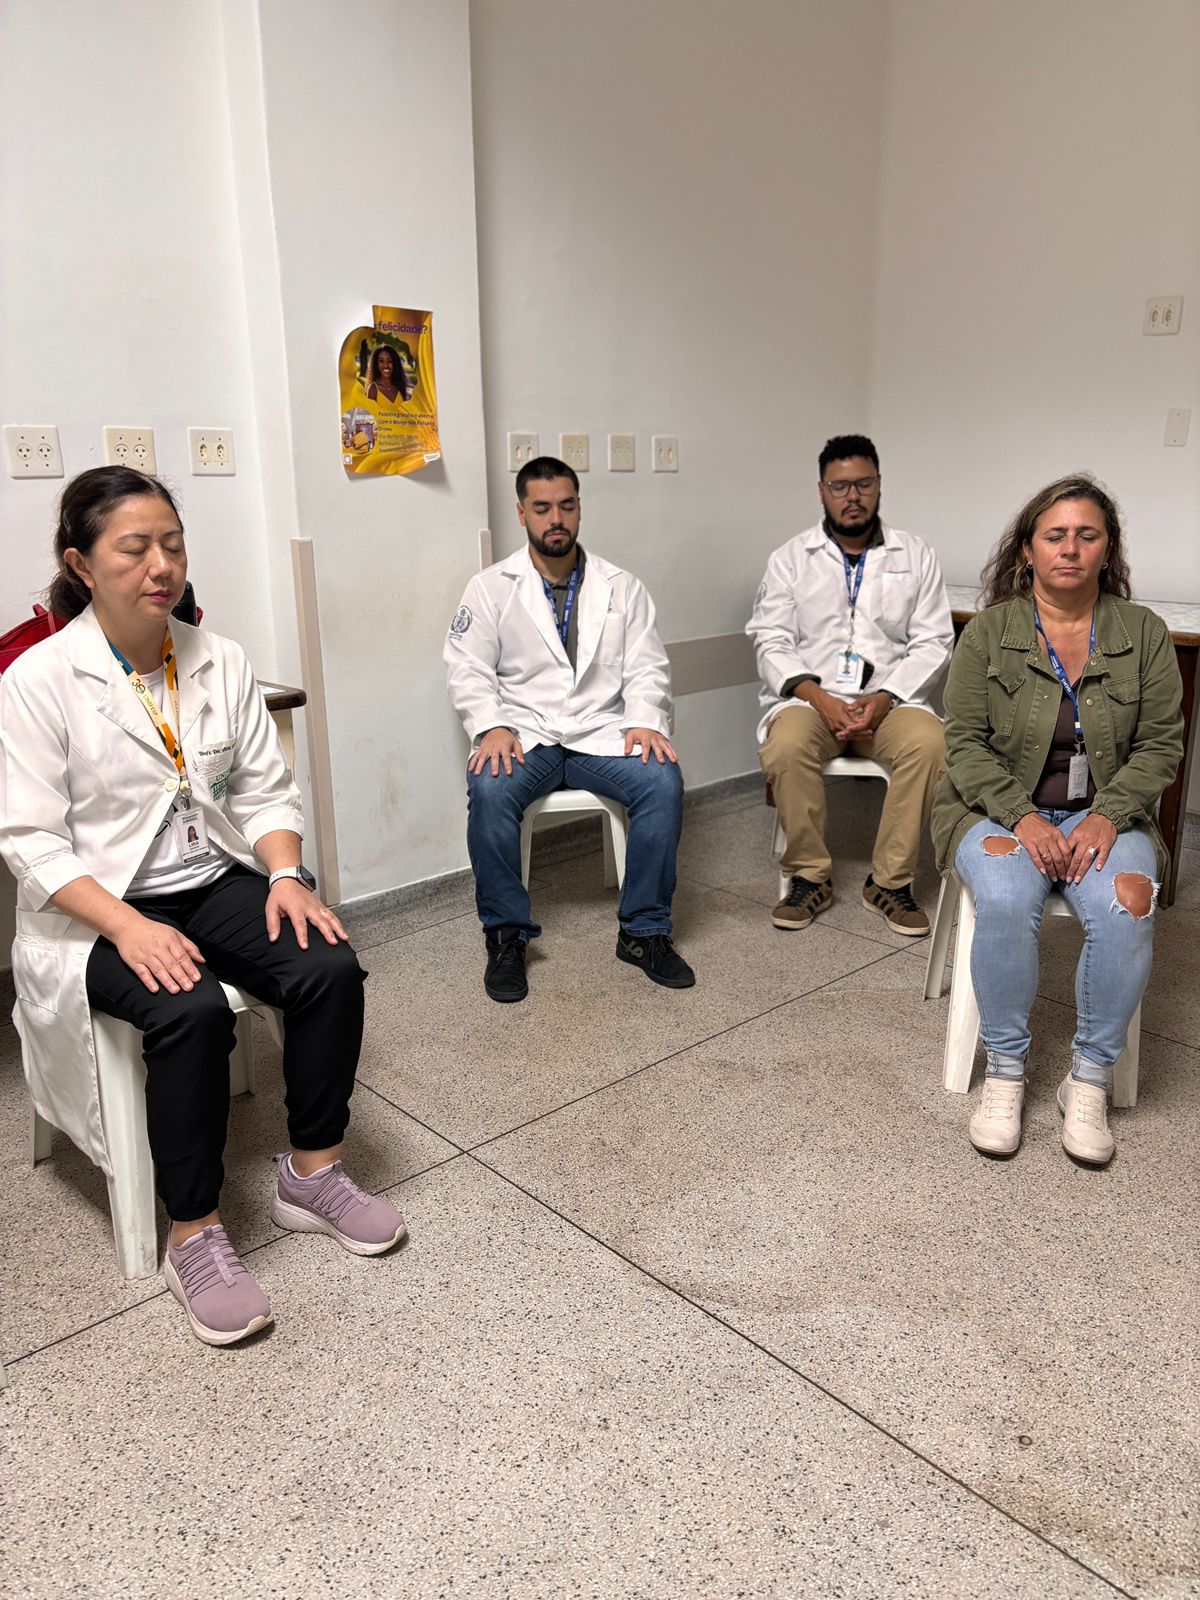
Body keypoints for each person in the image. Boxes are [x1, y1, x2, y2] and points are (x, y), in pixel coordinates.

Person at [0, 467, 405, 1347]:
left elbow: (263, 788)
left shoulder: (218, 658)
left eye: (173, 546)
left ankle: (312, 1172)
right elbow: (29, 839)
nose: (161, 567)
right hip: (98, 906)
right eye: (134, 549)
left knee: (328, 964)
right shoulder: (38, 679)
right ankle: (194, 1233)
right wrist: (127, 926)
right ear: (81, 563)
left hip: (210, 877)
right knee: (189, 1011)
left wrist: (286, 876)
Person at [932, 474, 1183, 1164]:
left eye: (1086, 535)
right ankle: (1006, 1074)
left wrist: (1110, 815)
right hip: (995, 810)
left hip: (1104, 815)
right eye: (1055, 535)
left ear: (1108, 548)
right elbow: (964, 744)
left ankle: (1089, 1079)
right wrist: (1021, 817)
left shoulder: (1144, 634)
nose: (1070, 548)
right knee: (1006, 896)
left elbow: (1162, 745)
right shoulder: (990, 632)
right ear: (1028, 550)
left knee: (1130, 904)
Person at [444, 455, 694, 1002]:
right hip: (525, 734)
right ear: (521, 513)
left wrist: (644, 720)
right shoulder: (489, 588)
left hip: (600, 732)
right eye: (542, 508)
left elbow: (648, 665)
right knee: (489, 789)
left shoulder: (622, 587)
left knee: (662, 781)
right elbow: (466, 667)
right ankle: (506, 937)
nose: (555, 519)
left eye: (566, 505)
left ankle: (643, 931)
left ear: (579, 508)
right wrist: (491, 725)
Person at [747, 435, 953, 935]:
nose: (853, 496)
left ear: (879, 486)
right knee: (787, 744)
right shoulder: (791, 558)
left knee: (931, 744)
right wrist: (818, 697)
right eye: (840, 486)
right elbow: (771, 639)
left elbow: (934, 640)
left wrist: (884, 698)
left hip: (890, 702)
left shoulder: (916, 554)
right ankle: (809, 877)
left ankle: (890, 882)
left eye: (863, 483)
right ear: (821, 491)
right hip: (811, 703)